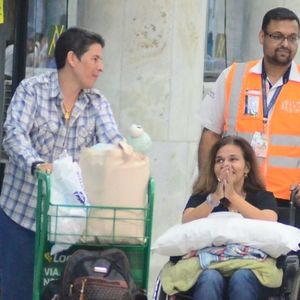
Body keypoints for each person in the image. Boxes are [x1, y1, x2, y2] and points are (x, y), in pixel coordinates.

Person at [0, 27, 123, 300]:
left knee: (65, 292)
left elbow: (113, 142)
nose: (101, 67)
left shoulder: (97, 103)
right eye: (95, 59)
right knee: (16, 292)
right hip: (22, 216)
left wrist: (127, 154)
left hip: (70, 225)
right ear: (72, 59)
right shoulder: (32, 90)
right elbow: (14, 134)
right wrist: (37, 164)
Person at [198, 7, 300, 211]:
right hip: (234, 195)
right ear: (262, 36)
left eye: (292, 38)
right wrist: (209, 185)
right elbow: (210, 134)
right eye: (277, 36)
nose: (285, 44)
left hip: (287, 200)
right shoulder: (233, 76)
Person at [183, 135, 278, 300]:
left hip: (250, 264)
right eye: (219, 161)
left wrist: (233, 196)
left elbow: (269, 221)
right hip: (210, 263)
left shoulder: (263, 197)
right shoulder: (203, 197)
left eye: (233, 159)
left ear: (246, 167)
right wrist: (214, 199)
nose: (225, 165)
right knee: (210, 278)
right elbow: (187, 221)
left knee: (242, 277)